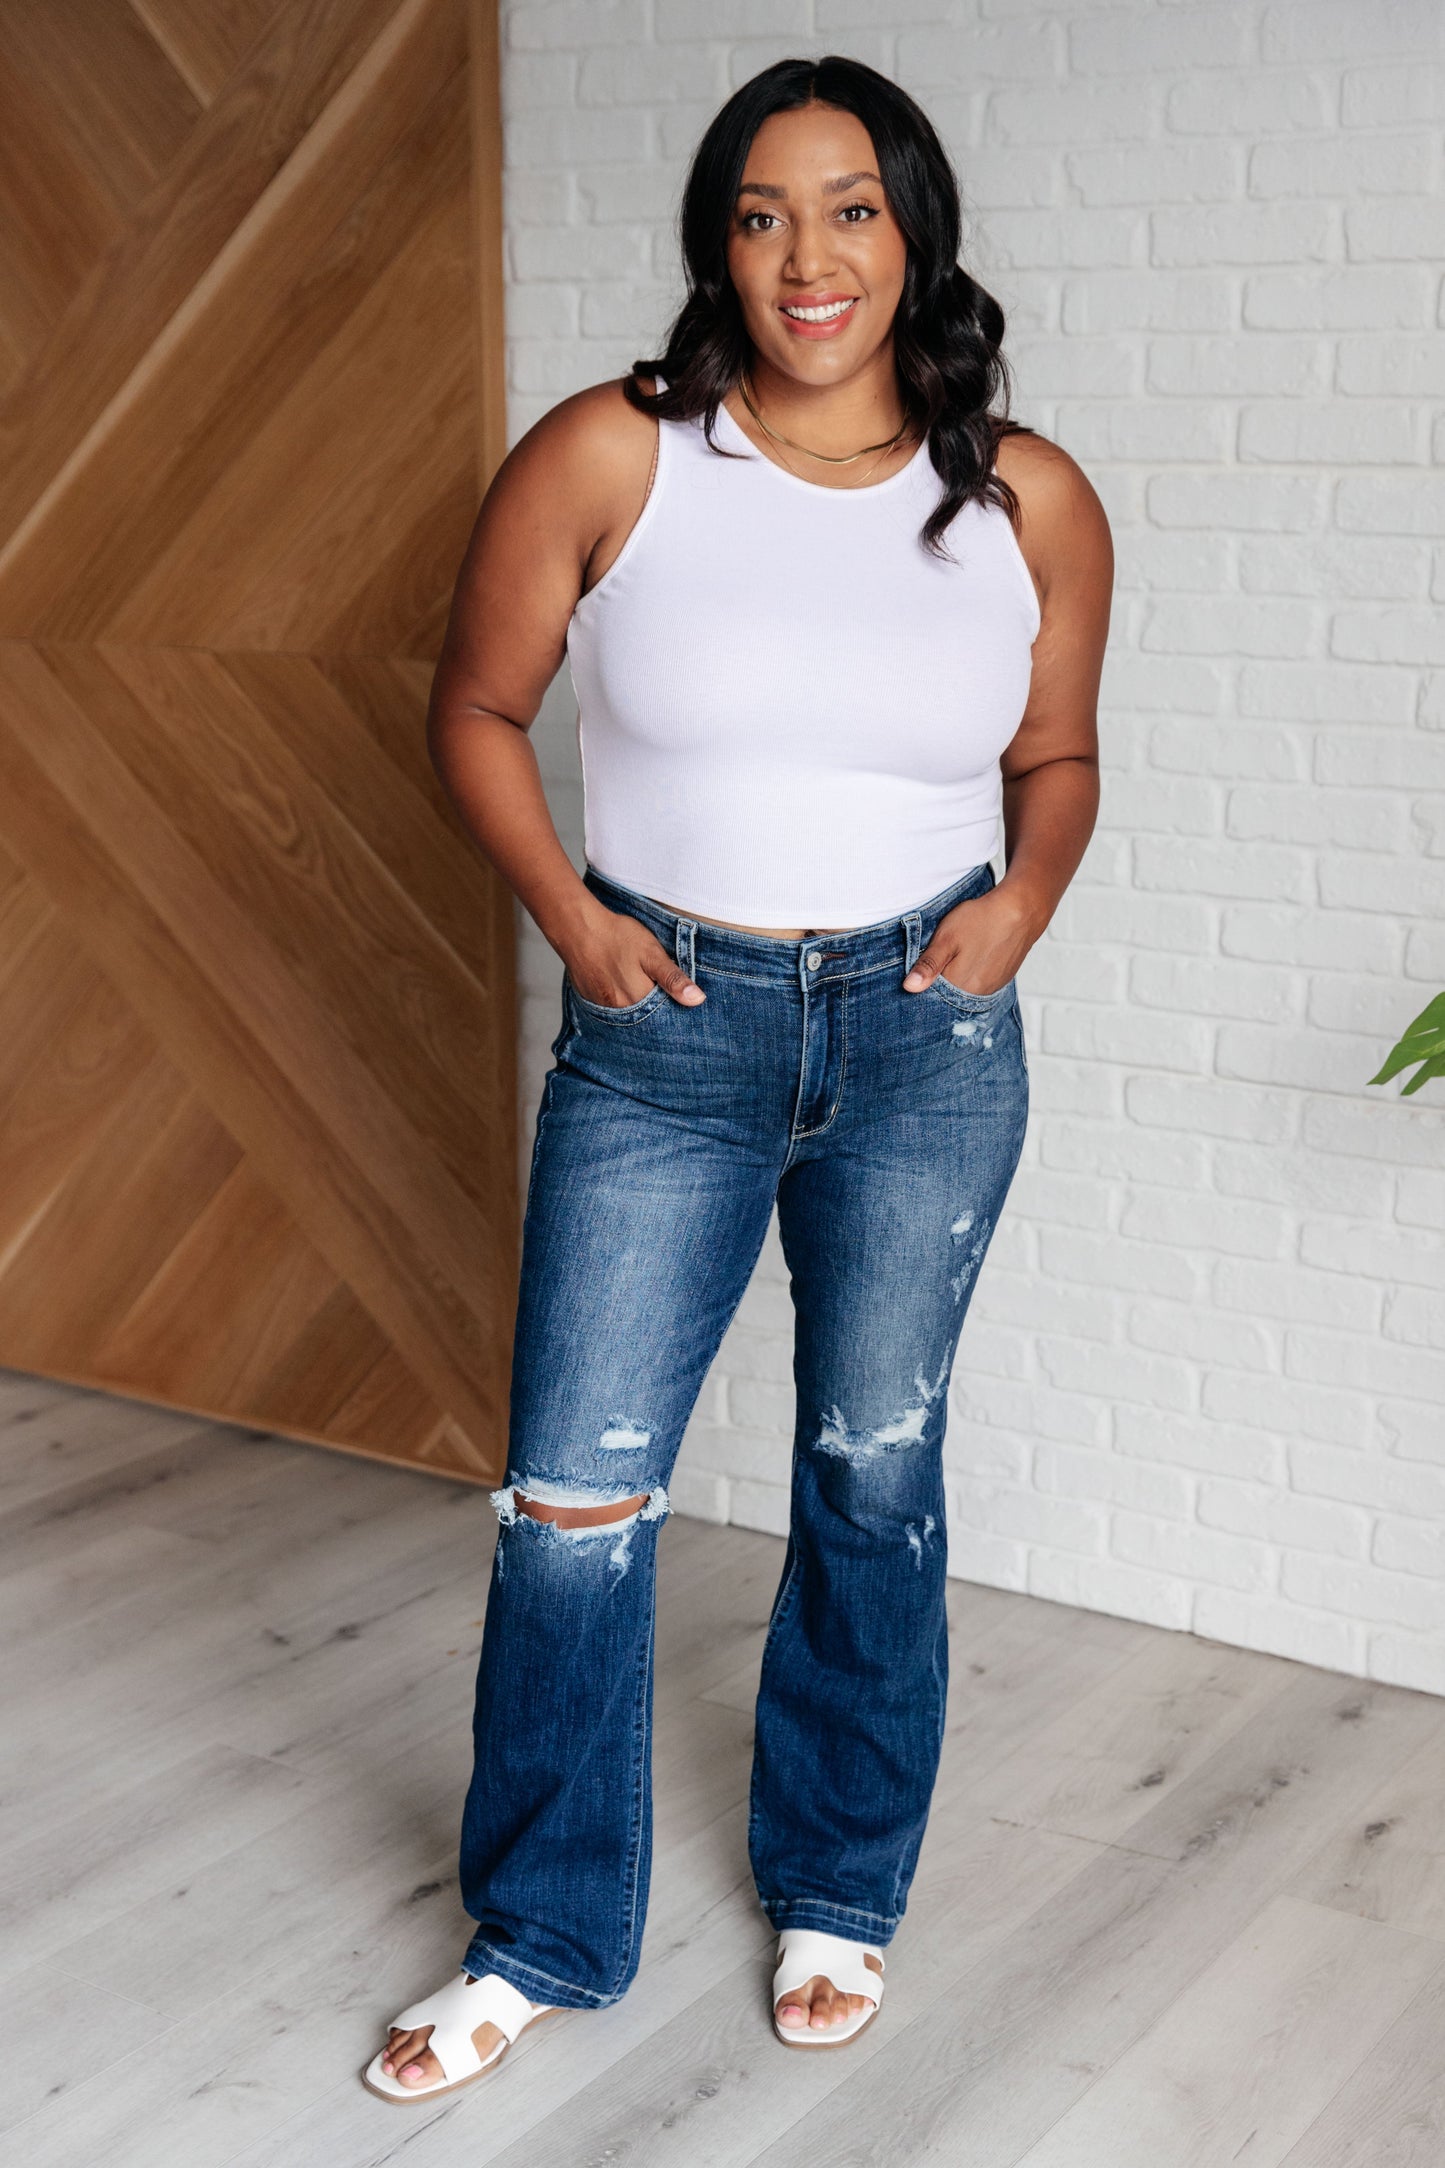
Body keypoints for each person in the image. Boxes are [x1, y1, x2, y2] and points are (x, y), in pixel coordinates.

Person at [363, 53, 1110, 2103]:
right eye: (763, 213)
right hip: (661, 1036)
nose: (808, 256)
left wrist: (1026, 902)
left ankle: (840, 1885)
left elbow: (1057, 754)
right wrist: (573, 921)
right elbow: (475, 707)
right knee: (572, 1498)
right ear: (718, 241)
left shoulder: (1025, 495)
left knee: (873, 1471)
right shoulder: (616, 452)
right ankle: (540, 1927)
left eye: (850, 208)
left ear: (912, 233)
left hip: (926, 1040)